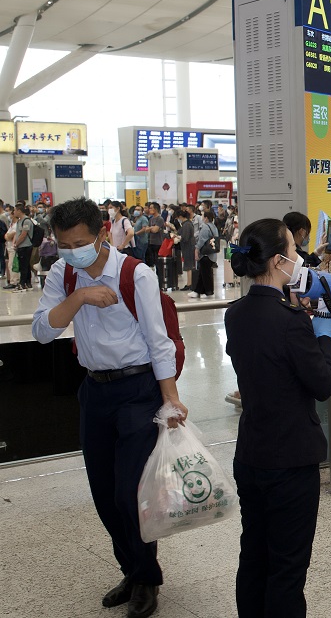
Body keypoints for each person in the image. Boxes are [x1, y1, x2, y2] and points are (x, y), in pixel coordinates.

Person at [32, 197, 186, 618]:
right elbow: (43, 331)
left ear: (102, 234)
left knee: (128, 495)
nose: (70, 252)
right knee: (103, 494)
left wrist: (170, 398)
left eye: (78, 243)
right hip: (94, 391)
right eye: (63, 244)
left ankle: (147, 580)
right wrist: (80, 296)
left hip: (137, 391)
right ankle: (133, 569)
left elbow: (159, 342)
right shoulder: (64, 274)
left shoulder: (136, 274)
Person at [225, 218, 331, 618]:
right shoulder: (291, 322)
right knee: (288, 567)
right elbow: (323, 384)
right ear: (277, 261)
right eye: (293, 251)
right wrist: (323, 334)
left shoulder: (235, 313)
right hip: (291, 459)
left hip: (251, 453)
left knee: (254, 555)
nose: (299, 258)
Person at [10, 203, 34, 291]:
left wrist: (17, 243)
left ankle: (22, 283)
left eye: (15, 210)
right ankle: (27, 283)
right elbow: (18, 234)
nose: (14, 212)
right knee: (25, 265)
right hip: (21, 246)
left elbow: (23, 235)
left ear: (19, 211)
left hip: (26, 246)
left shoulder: (26, 221)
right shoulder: (19, 221)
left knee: (24, 265)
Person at [175, 208, 196, 289]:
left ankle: (189, 284)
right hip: (188, 247)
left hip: (188, 247)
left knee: (189, 265)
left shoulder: (187, 225)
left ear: (180, 217)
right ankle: (189, 283)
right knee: (189, 264)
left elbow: (185, 237)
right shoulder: (186, 224)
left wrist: (179, 238)